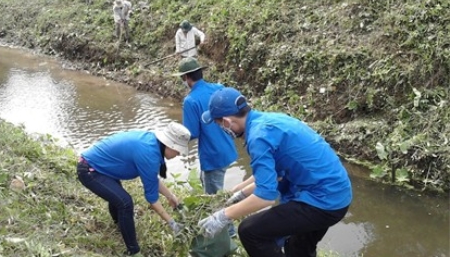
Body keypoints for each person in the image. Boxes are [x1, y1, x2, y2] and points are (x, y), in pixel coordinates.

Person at [198, 87, 353, 257]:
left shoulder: (258, 137)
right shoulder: (268, 121)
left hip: (323, 201)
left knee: (250, 231)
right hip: (338, 193)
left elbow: (265, 197)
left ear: (227, 122)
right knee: (297, 248)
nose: (221, 129)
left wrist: (223, 215)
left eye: (219, 124)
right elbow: (271, 175)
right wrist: (239, 192)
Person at [77, 122, 190, 257]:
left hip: (103, 168)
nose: (178, 154)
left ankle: (120, 225)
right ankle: (134, 251)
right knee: (125, 203)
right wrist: (172, 223)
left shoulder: (153, 144)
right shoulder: (149, 153)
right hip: (90, 170)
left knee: (118, 196)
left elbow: (151, 179)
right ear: (170, 144)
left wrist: (170, 196)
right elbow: (152, 200)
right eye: (178, 150)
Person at [173, 57, 238, 236]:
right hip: (227, 149)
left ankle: (230, 234)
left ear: (187, 78)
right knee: (209, 185)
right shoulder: (217, 88)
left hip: (213, 155)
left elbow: (191, 133)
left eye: (182, 78)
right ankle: (220, 227)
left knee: (215, 199)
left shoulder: (191, 100)